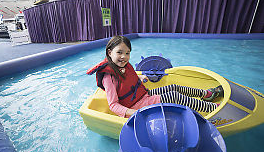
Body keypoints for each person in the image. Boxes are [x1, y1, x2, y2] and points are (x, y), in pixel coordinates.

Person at [87, 36, 223, 118]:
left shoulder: (123, 66)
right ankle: (212, 108)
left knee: (174, 87)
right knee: (174, 96)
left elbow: (128, 82)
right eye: (120, 52)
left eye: (127, 53)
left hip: (142, 95)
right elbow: (113, 105)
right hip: (135, 105)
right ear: (110, 52)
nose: (124, 57)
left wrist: (139, 79)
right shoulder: (108, 77)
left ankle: (206, 94)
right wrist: (132, 113)